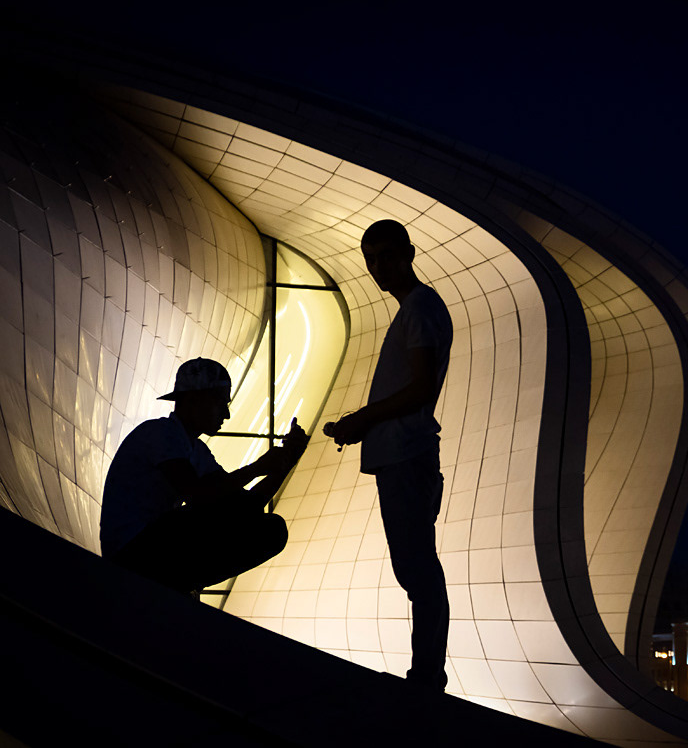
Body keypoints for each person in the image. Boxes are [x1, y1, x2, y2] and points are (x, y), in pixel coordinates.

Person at [325, 219, 453, 692]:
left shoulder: (420, 307)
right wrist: (362, 424)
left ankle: (426, 679)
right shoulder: (414, 310)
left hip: (407, 455)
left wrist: (364, 418)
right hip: (401, 454)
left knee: (417, 568)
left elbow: (419, 387)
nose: (377, 268)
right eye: (370, 259)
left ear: (409, 253)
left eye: (385, 256)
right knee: (415, 566)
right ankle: (425, 676)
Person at [100, 358, 308, 593]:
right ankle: (181, 584)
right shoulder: (159, 434)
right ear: (194, 400)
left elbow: (245, 505)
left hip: (146, 550)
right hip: (133, 553)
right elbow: (199, 495)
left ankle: (180, 585)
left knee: (272, 530)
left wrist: (286, 462)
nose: (227, 415)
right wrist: (258, 468)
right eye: (221, 404)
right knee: (248, 523)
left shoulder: (195, 450)